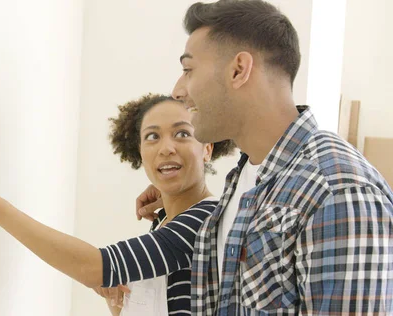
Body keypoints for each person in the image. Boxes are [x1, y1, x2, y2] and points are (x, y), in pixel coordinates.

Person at [132, 1, 393, 315]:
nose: (178, 90)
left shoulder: (337, 191)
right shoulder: (242, 182)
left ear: (239, 70)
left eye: (189, 69)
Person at [0, 94, 235, 315]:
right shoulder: (163, 223)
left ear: (207, 148)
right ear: (139, 152)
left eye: (182, 134)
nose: (166, 148)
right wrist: (116, 300)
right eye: (152, 137)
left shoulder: (204, 219)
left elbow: (98, 267)